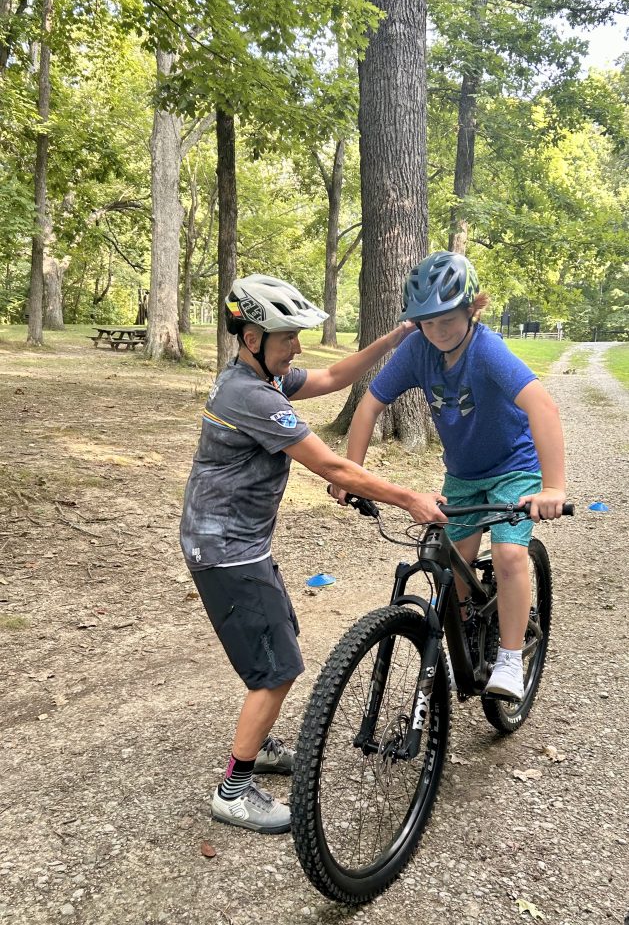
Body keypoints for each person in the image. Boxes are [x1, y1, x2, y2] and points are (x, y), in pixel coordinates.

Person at [180, 273, 446, 835]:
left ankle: (260, 744)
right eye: (287, 337)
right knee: (276, 669)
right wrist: (409, 498)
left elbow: (331, 376)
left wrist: (396, 337)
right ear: (252, 337)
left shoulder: (258, 376)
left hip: (237, 543)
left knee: (279, 643)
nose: (297, 348)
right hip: (225, 551)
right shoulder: (250, 395)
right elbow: (330, 466)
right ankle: (234, 790)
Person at [332, 251, 566, 703]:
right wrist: (352, 474)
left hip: (514, 468)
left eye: (447, 319)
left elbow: (543, 407)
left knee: (509, 554)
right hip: (462, 473)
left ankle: (512, 659)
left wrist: (553, 486)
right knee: (451, 566)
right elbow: (369, 406)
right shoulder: (418, 349)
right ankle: (468, 641)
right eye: (427, 322)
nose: (438, 331)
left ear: (472, 307)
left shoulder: (487, 349)